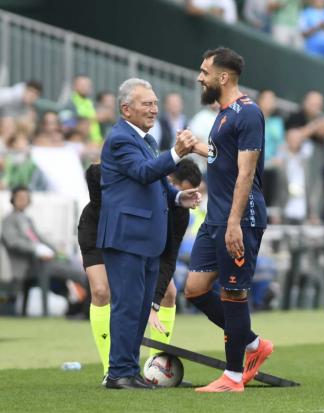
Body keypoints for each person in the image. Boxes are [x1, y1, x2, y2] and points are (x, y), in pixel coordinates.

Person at [97, 78, 199, 390]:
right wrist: (175, 154)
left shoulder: (145, 140)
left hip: (144, 237)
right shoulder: (120, 139)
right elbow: (143, 173)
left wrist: (178, 197)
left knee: (140, 306)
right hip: (127, 235)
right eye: (147, 103)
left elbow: (155, 183)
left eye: (155, 103)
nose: (154, 109)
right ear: (126, 109)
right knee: (128, 305)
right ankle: (118, 372)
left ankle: (128, 369)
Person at [181, 47, 272, 393]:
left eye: (204, 72)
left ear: (223, 77)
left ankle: (233, 377)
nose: (199, 77)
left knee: (233, 293)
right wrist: (196, 148)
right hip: (216, 217)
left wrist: (234, 222)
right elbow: (224, 156)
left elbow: (246, 173)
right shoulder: (223, 115)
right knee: (196, 289)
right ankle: (251, 343)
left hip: (239, 217)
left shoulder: (248, 114)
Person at [78, 160, 202, 382]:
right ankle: (111, 370)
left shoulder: (180, 211)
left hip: (135, 239)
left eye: (192, 192)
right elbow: (95, 174)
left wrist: (152, 303)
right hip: (98, 227)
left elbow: (168, 258)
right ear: (167, 180)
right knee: (101, 291)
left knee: (168, 293)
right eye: (181, 189)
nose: (187, 196)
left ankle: (157, 370)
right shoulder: (143, 186)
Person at [1, 186, 88, 316]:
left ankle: (80, 306)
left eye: (25, 198)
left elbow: (41, 238)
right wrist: (36, 249)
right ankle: (85, 308)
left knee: (73, 266)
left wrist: (56, 251)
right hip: (28, 265)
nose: (23, 201)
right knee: (77, 274)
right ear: (12, 199)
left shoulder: (27, 219)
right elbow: (13, 242)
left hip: (43, 261)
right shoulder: (9, 219)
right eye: (20, 198)